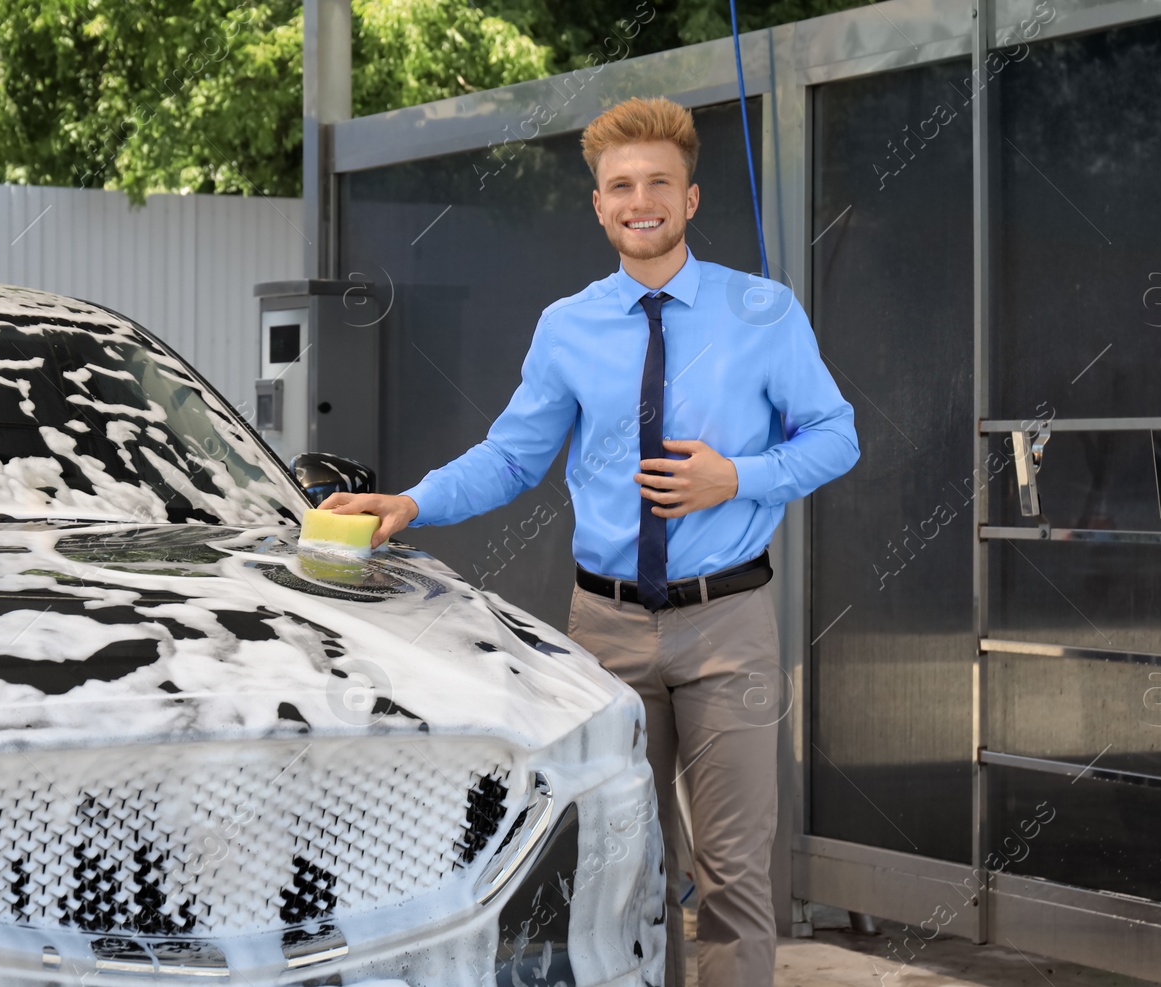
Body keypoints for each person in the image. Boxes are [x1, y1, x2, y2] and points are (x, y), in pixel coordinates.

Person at [318, 96, 858, 987]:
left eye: (658, 183)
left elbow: (836, 434)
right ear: (600, 205)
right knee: (621, 869)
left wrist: (739, 478)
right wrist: (410, 502)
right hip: (603, 633)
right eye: (620, 186)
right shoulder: (568, 325)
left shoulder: (763, 312)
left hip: (730, 623)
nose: (639, 199)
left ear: (690, 199)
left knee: (733, 874)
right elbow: (512, 457)